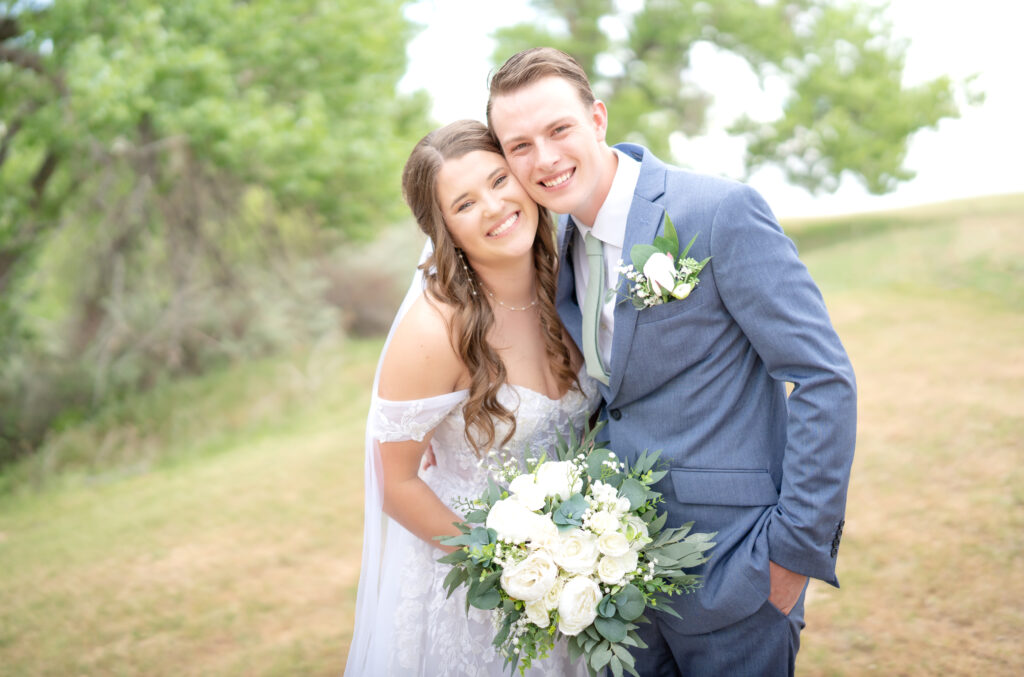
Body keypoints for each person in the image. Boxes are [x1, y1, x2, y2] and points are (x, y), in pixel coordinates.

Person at [486, 47, 857, 676]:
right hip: (612, 590)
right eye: (519, 145)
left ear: (597, 119)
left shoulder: (716, 213)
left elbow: (823, 379)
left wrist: (792, 554)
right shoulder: (560, 243)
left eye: (558, 130)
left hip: (737, 573)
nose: (544, 159)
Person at [344, 120, 597, 676]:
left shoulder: (572, 282)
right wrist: (506, 570)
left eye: (500, 180)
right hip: (477, 594)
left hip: (581, 576)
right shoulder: (435, 331)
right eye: (464, 203)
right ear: (446, 230)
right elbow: (394, 480)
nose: (493, 207)